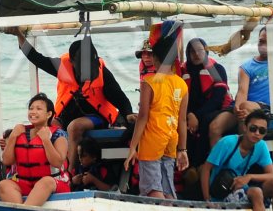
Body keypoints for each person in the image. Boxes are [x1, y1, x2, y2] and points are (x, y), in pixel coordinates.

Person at [15, 30, 136, 169]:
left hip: (96, 117)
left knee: (74, 127)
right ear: (72, 62)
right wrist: (19, 35)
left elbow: (119, 97)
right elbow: (36, 57)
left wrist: (128, 113)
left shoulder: (103, 72)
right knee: (48, 125)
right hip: (66, 116)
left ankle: (69, 172)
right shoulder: (61, 66)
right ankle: (46, 168)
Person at [125, 37, 189, 199]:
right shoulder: (181, 84)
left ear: (155, 58)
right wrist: (183, 149)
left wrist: (133, 147)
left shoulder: (149, 82)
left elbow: (143, 117)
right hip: (171, 139)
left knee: (152, 189)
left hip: (153, 139)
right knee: (167, 188)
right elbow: (182, 120)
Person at [0, 93, 72, 206]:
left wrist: (46, 140)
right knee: (4, 184)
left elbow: (57, 163)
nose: (33, 112)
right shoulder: (20, 132)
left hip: (52, 184)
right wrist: (13, 136)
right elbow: (7, 161)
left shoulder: (58, 135)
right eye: (31, 108)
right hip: (25, 184)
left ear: (49, 114)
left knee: (45, 182)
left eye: (38, 109)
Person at [181, 37, 238, 165]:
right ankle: (184, 168)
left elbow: (217, 99)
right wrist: (189, 114)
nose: (196, 55)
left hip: (218, 109)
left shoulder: (217, 69)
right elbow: (179, 99)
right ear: (188, 54)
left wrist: (196, 116)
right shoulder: (182, 72)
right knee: (181, 124)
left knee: (206, 121)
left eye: (200, 51)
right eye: (192, 51)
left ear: (206, 52)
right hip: (190, 112)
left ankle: (198, 164)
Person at [234, 27, 273, 124]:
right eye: (261, 42)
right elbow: (242, 93)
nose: (264, 46)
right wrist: (238, 108)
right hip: (253, 106)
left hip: (271, 107)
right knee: (216, 125)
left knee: (245, 107)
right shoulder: (246, 68)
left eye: (269, 43)